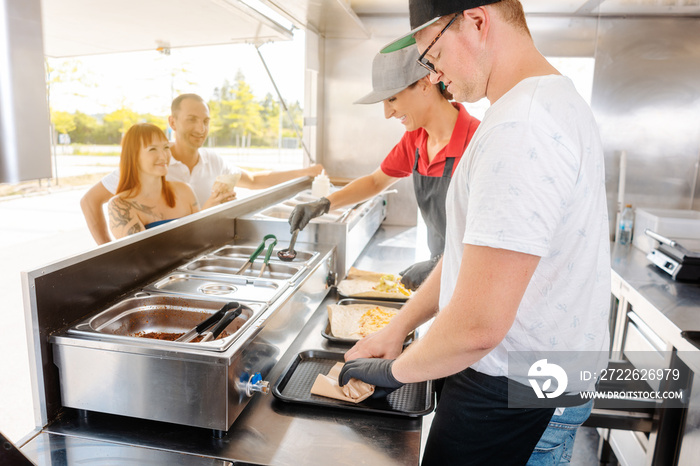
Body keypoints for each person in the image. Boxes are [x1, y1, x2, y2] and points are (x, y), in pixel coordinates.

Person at [338, 1, 611, 465]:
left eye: (433, 55)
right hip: (527, 379)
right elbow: (472, 253)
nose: (435, 74)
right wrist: (400, 326)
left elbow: (479, 326)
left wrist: (396, 371)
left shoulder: (520, 128)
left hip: (512, 391)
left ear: (477, 22)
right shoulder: (544, 102)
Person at [288, 47, 479, 290]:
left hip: (473, 280)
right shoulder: (416, 140)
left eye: (392, 99)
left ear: (424, 84)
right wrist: (324, 204)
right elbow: (376, 182)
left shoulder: (478, 141)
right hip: (440, 280)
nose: (388, 113)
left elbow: (494, 237)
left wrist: (444, 263)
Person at [81, 93, 324, 245]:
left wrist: (306, 172)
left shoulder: (212, 162)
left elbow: (255, 179)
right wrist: (105, 251)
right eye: (192, 119)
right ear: (172, 122)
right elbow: (90, 201)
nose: (201, 128)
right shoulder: (146, 168)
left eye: (206, 121)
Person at [107, 123, 199, 238]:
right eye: (153, 149)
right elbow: (142, 254)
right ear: (133, 156)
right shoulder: (120, 205)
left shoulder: (185, 190)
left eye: (166, 147)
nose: (163, 156)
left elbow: (203, 240)